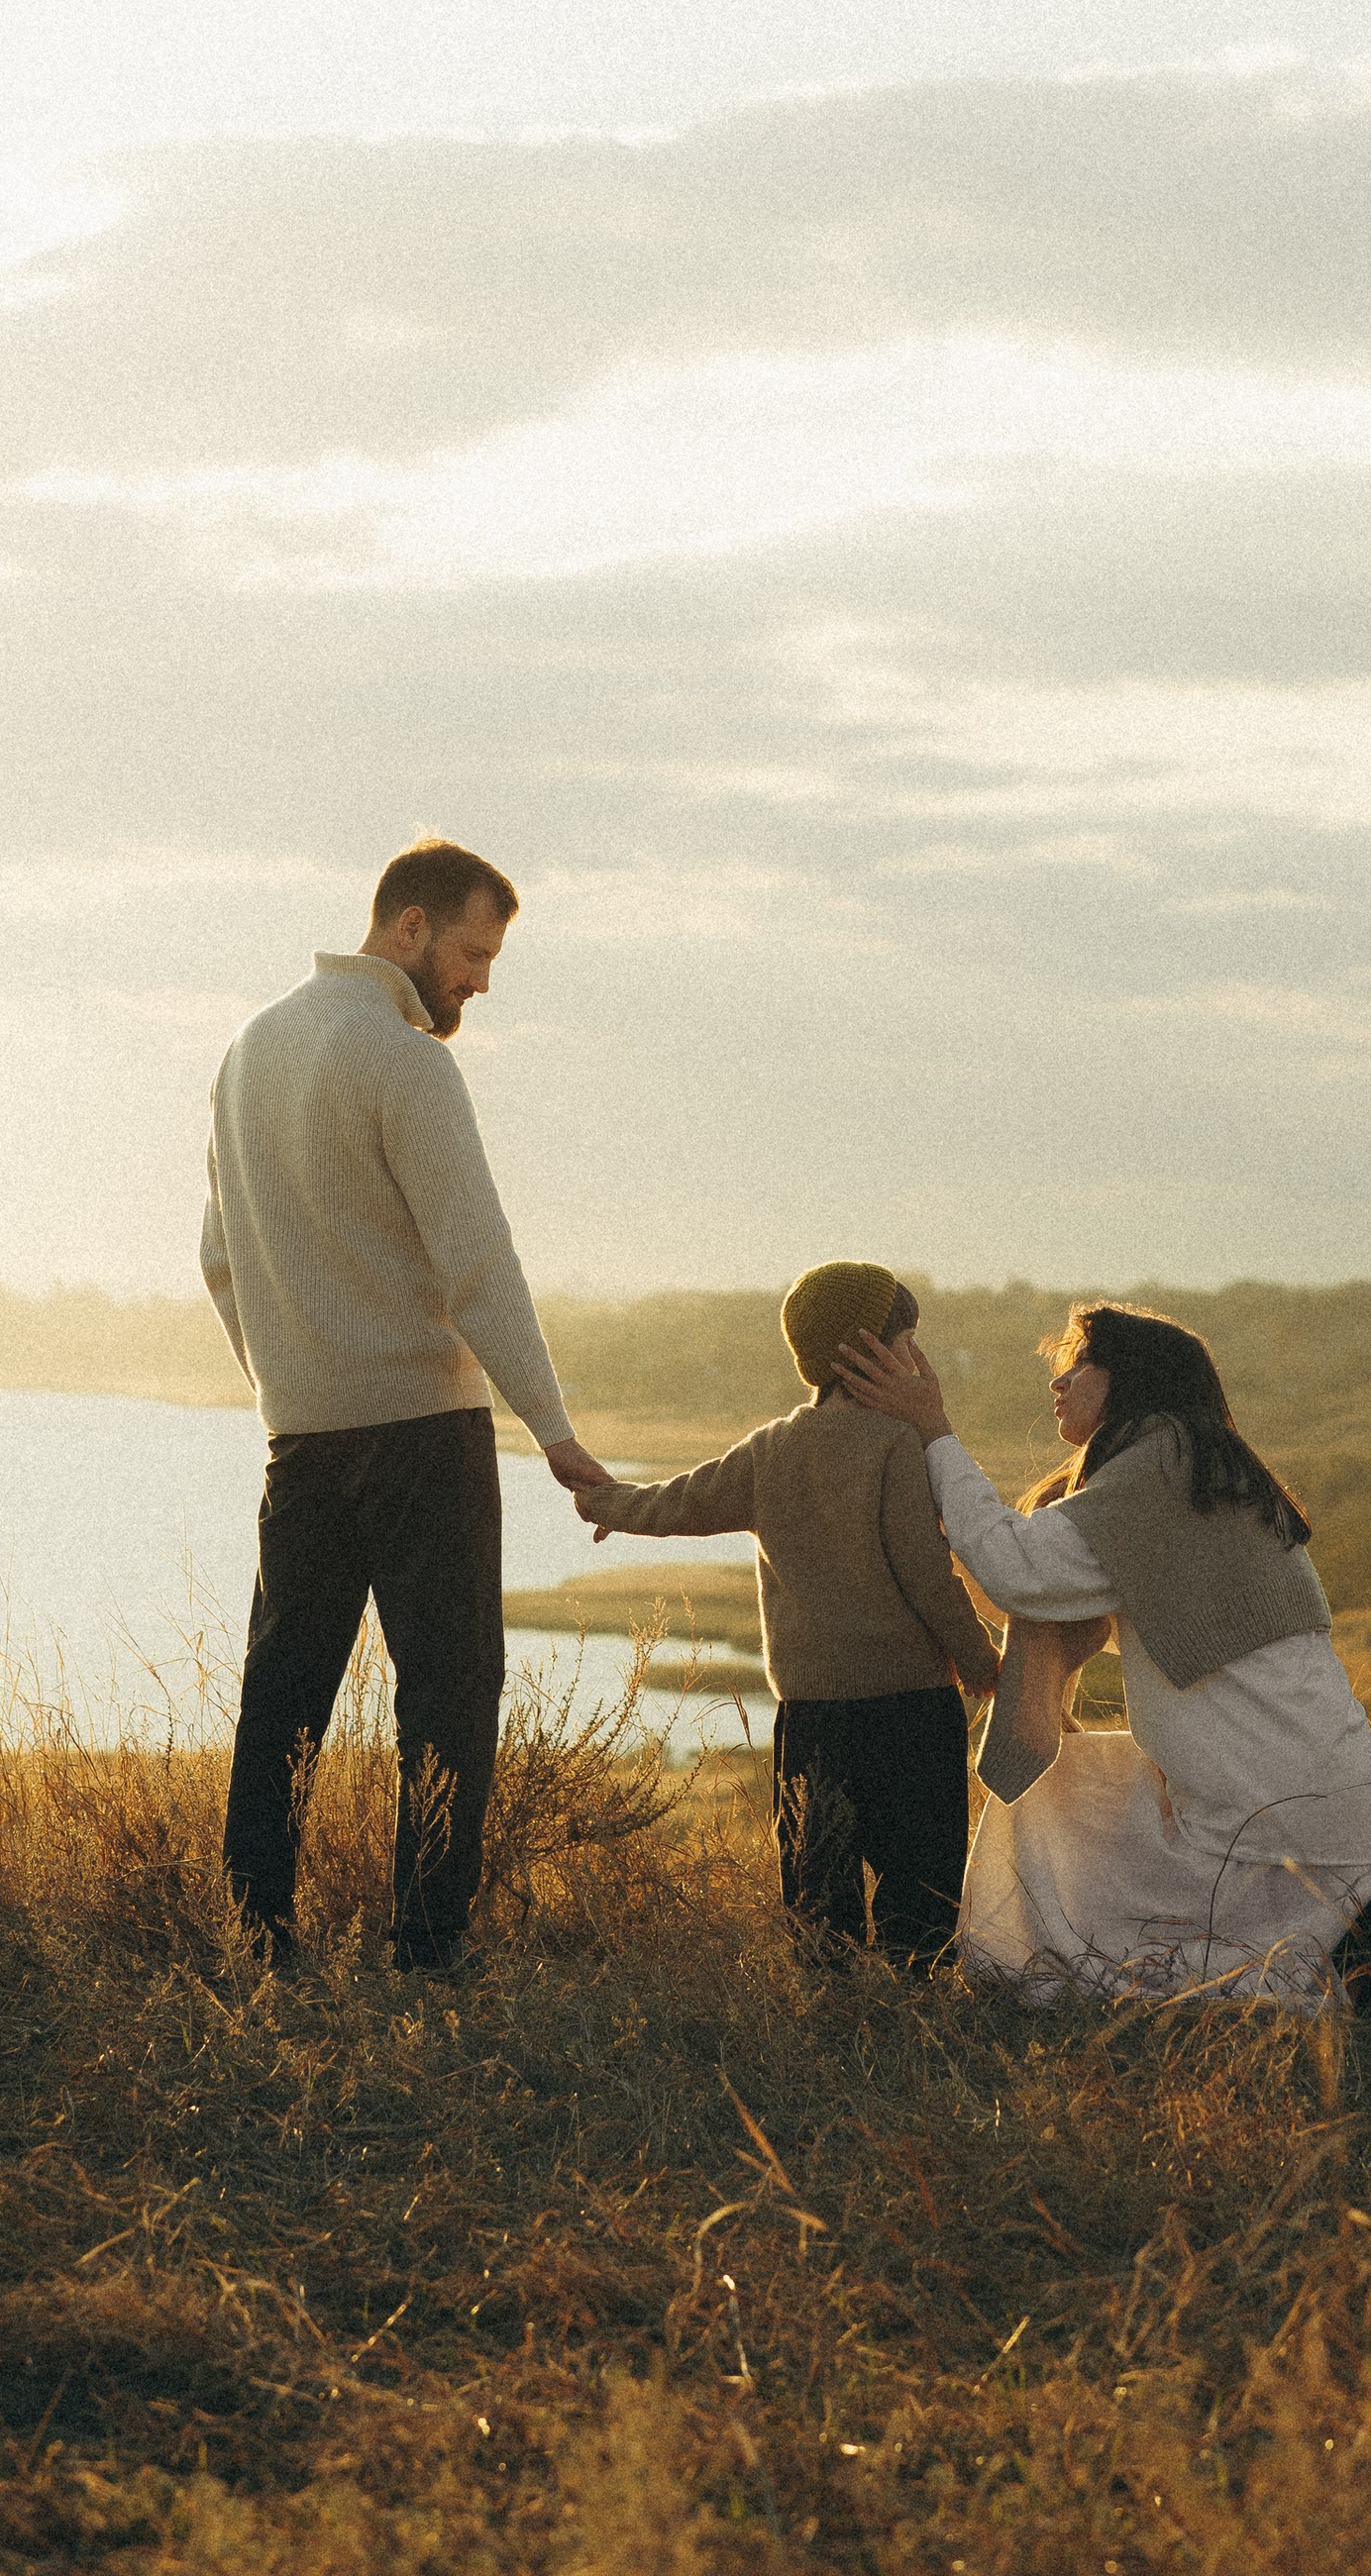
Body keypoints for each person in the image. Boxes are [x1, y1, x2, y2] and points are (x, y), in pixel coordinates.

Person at [203, 839, 607, 1973]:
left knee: (281, 1694)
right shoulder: (405, 1060)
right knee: (447, 1692)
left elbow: (220, 1260)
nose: (480, 982)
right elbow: (476, 1261)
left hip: (304, 1436)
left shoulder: (249, 1050)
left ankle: (258, 1935)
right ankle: (428, 1950)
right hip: (424, 1433)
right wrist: (554, 1430)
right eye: (475, 953)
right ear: (411, 928)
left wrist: (288, 1384)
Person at [838, 1299, 1371, 2012]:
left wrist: (934, 1431)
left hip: (1270, 1814)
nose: (1059, 1381)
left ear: (1133, 1377)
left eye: (1079, 1363)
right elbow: (1040, 1591)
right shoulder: (1195, 1467)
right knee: (1072, 1783)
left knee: (1051, 1821)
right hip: (1317, 1804)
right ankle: (1353, 1934)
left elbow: (1020, 1573)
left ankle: (1332, 1958)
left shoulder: (1160, 1464)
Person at [573, 1262, 1002, 1967]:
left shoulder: (772, 1448)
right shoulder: (897, 1444)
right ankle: (915, 2026)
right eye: (909, 1341)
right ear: (867, 1350)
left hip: (811, 1715)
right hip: (910, 1710)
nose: (919, 1361)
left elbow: (678, 1501)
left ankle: (826, 2014)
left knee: (816, 1891)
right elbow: (926, 1574)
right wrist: (980, 1656)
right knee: (922, 1893)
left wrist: (606, 1504)